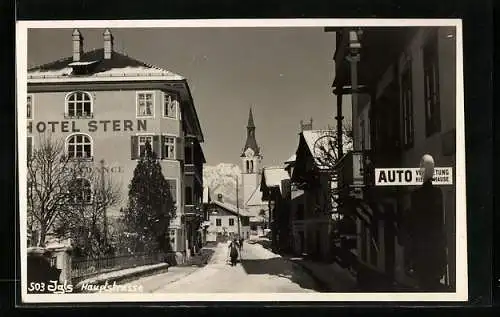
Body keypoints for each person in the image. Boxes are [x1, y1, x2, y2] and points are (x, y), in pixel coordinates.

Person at [405, 154, 447, 291]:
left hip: (422, 250)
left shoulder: (416, 195)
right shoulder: (438, 193)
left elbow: (413, 225)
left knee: (424, 285)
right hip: (435, 249)